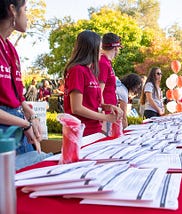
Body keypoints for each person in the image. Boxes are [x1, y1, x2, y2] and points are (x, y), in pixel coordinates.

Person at [0, 0, 51, 170]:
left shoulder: (9, 48)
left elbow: (14, 96)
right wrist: (25, 123)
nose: (28, 17)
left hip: (16, 126)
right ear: (12, 10)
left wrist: (31, 116)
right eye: (26, 10)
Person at [63, 30, 122, 137]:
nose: (101, 51)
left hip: (93, 130)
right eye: (99, 48)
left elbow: (91, 102)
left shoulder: (90, 71)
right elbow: (76, 108)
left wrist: (107, 107)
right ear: (91, 50)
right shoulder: (77, 70)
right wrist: (105, 118)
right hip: (82, 132)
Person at [98, 32, 122, 135]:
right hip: (107, 113)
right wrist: (103, 115)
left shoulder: (106, 62)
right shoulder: (103, 63)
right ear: (116, 48)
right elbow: (99, 90)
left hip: (110, 110)